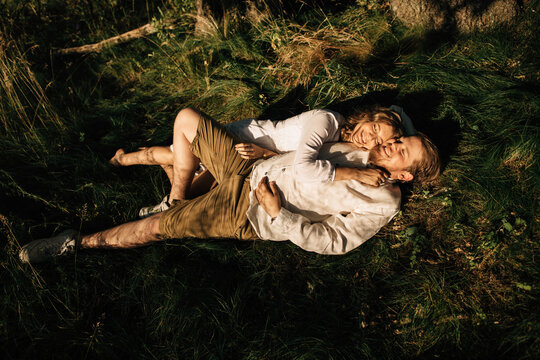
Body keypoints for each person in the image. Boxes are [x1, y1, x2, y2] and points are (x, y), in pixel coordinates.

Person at [19, 107, 439, 263]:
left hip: (251, 213)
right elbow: (304, 158)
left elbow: (333, 241)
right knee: (188, 119)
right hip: (251, 169)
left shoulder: (383, 202)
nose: (392, 143)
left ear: (405, 176)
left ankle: (74, 245)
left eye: (401, 149)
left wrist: (280, 215)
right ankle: (173, 198)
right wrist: (270, 158)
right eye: (398, 138)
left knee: (154, 231)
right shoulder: (357, 146)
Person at [109, 106, 415, 217]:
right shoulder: (327, 121)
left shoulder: (341, 145)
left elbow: (291, 160)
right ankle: (123, 160)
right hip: (242, 141)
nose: (369, 139)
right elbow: (302, 161)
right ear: (367, 118)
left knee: (190, 186)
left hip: (255, 160)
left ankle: (172, 193)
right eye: (373, 128)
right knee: (176, 153)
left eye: (378, 141)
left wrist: (268, 156)